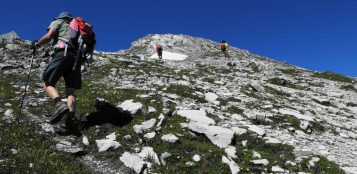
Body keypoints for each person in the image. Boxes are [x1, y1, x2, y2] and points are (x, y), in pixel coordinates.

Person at [33, 12, 81, 133]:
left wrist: (37, 44)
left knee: (48, 84)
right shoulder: (77, 27)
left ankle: (59, 105)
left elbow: (49, 36)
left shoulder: (59, 21)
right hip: (76, 58)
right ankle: (71, 118)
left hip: (62, 53)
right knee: (70, 91)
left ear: (61, 17)